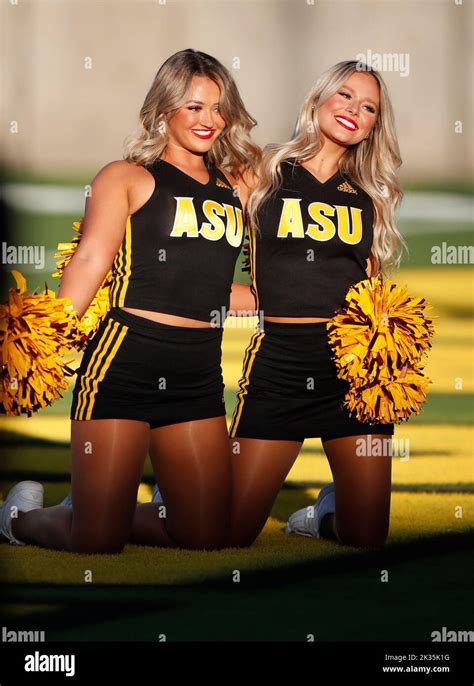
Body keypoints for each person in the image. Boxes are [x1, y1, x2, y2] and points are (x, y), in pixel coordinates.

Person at [0, 49, 259, 553]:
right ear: (164, 109)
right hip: (124, 362)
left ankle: (102, 505)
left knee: (205, 535)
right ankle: (19, 519)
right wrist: (40, 344)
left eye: (218, 108)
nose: (209, 121)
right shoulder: (125, 177)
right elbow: (91, 263)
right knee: (96, 542)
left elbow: (215, 285)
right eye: (194, 107)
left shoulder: (239, 186)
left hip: (197, 372)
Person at [226, 60, 406, 548]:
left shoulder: (373, 192)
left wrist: (385, 355)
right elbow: (200, 252)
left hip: (352, 369)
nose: (353, 111)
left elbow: (371, 282)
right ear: (318, 99)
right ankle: (99, 506)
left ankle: (322, 516)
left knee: (367, 538)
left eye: (368, 107)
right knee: (228, 532)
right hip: (281, 362)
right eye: (345, 96)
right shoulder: (261, 171)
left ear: (375, 125)